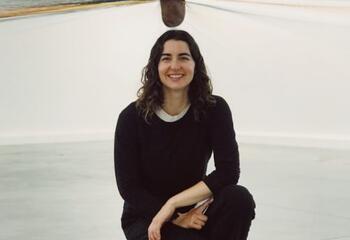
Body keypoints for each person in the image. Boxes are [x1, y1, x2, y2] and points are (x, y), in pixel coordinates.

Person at [114, 29, 255, 240]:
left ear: (195, 65)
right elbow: (129, 188)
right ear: (155, 67)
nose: (175, 66)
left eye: (183, 57)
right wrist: (173, 216)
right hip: (148, 216)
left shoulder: (214, 109)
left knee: (239, 198)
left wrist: (174, 204)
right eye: (166, 58)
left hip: (195, 210)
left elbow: (228, 171)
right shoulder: (131, 118)